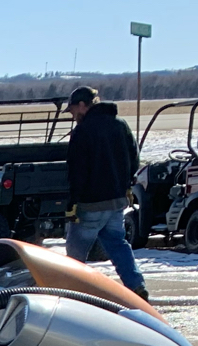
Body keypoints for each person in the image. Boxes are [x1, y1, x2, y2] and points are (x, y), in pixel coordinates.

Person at [63, 85, 150, 301]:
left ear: (83, 105)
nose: (73, 115)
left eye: (73, 110)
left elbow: (78, 170)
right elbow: (134, 158)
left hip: (91, 204)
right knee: (117, 244)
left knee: (76, 253)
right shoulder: (120, 125)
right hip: (116, 202)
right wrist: (127, 185)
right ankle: (136, 285)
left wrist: (73, 202)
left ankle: (73, 292)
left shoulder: (82, 131)